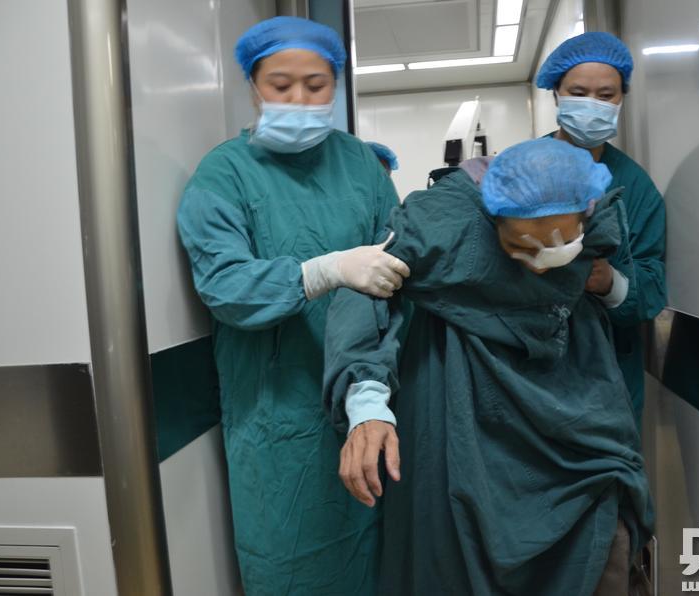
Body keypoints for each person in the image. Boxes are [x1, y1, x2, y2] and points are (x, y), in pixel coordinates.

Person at [323, 137, 653, 595]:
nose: (538, 267)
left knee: (602, 531)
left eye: (558, 249)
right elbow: (365, 292)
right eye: (518, 248)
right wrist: (367, 401)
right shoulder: (440, 227)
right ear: (491, 219)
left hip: (574, 415)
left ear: (586, 213)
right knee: (456, 550)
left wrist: (611, 284)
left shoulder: (596, 217)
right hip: (466, 403)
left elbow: (631, 289)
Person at [176, 16, 409, 595]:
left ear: (336, 86)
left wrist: (369, 393)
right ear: (253, 87)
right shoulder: (224, 173)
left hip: (365, 401)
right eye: (280, 85)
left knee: (373, 552)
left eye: (316, 85)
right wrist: (322, 271)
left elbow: (396, 276)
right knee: (287, 561)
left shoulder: (361, 165)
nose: (299, 99)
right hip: (274, 416)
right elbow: (224, 285)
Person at [537, 31, 667, 427]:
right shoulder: (521, 168)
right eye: (578, 93)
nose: (592, 104)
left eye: (606, 95)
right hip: (529, 368)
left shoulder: (635, 187)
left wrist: (608, 281)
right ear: (556, 93)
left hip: (608, 378)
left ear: (622, 98)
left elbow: (652, 284)